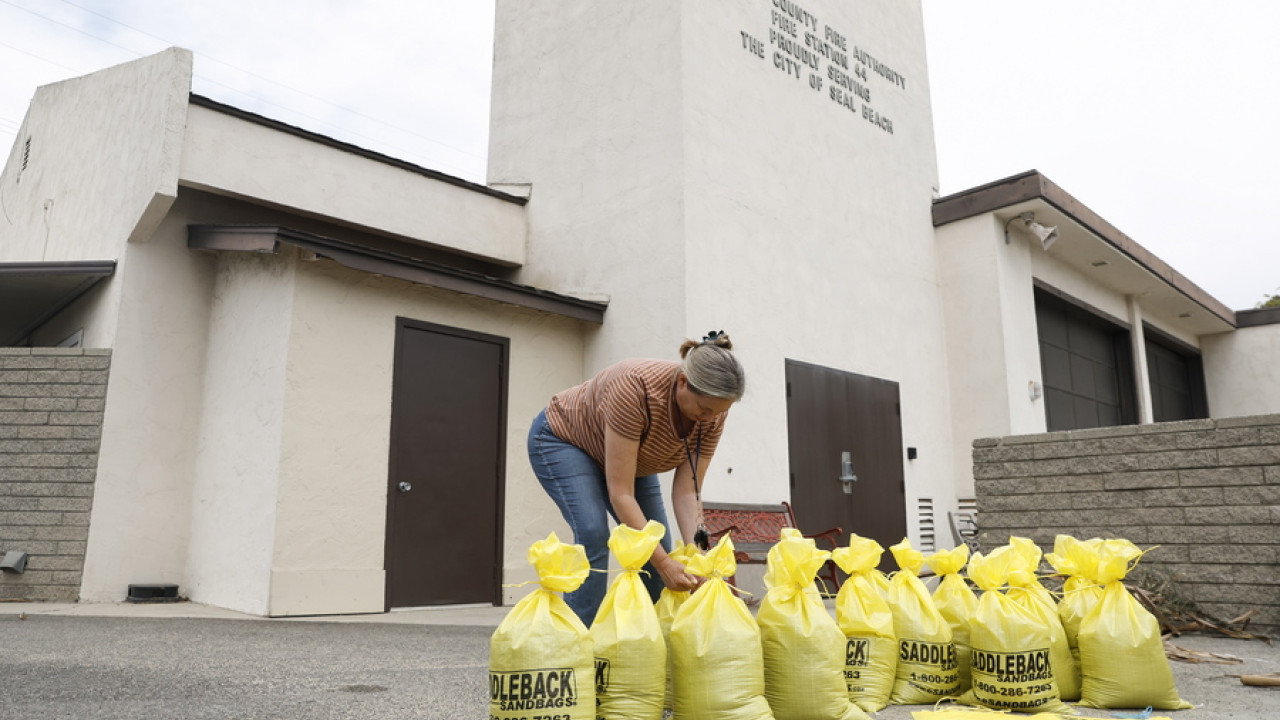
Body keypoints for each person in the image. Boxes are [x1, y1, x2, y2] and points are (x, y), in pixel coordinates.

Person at [527, 330, 747, 625]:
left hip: (634, 460)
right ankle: (579, 640)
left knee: (658, 546)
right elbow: (621, 493)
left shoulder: (713, 411)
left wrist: (699, 558)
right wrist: (664, 563)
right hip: (566, 441)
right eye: (705, 410)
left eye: (719, 413)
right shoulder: (636, 388)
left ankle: (651, 642)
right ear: (683, 382)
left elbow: (687, 492)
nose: (710, 419)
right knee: (594, 533)